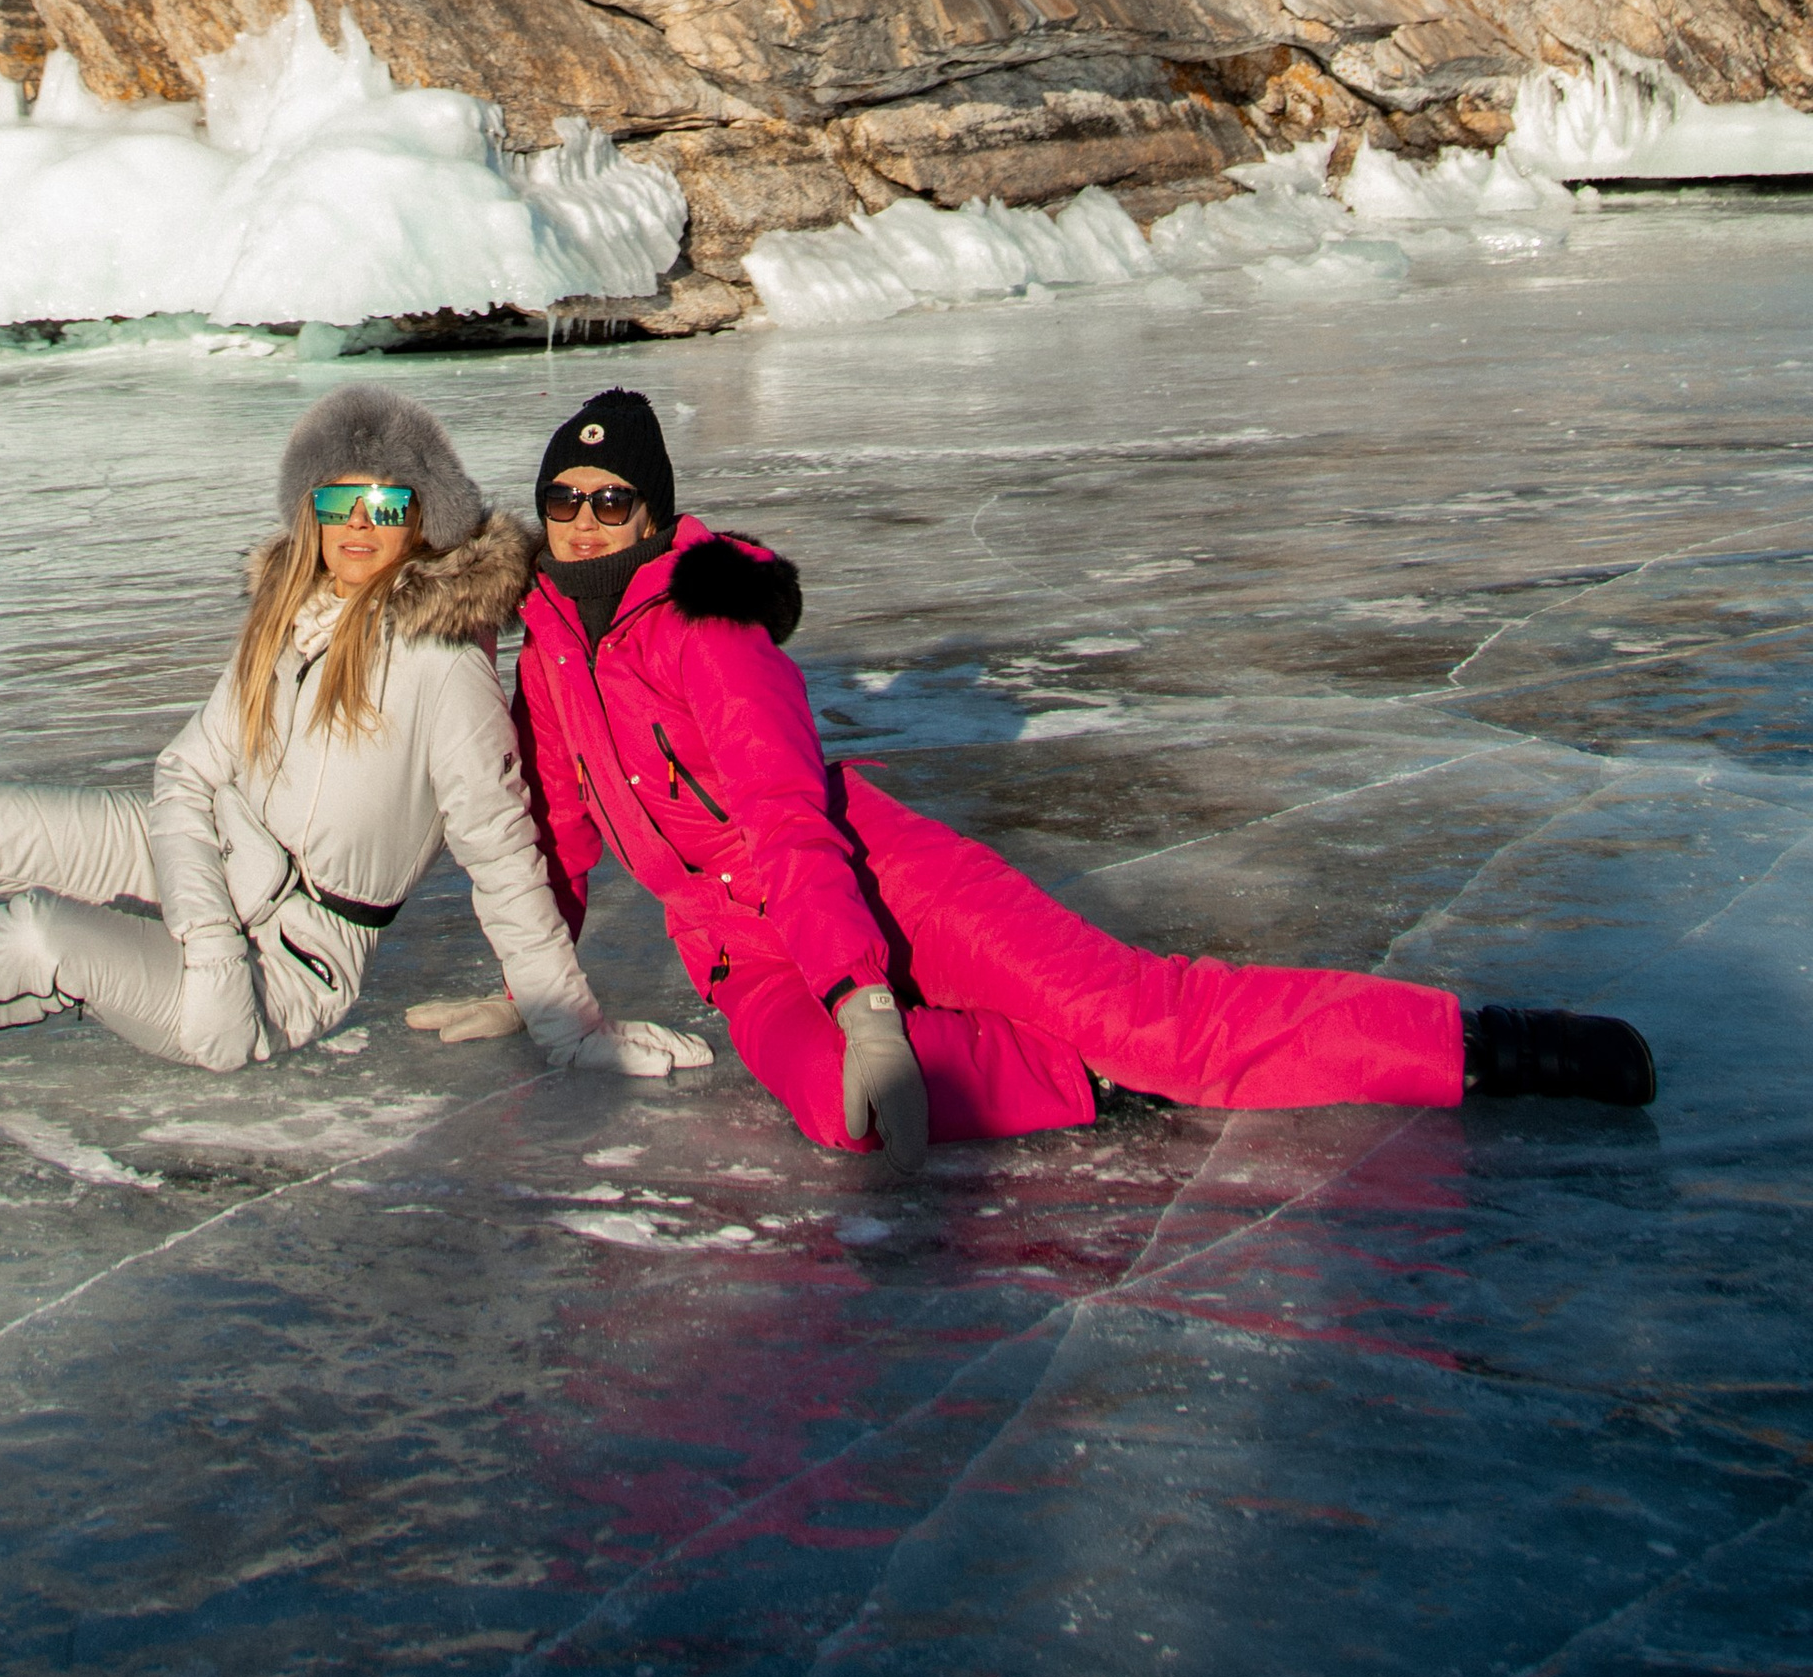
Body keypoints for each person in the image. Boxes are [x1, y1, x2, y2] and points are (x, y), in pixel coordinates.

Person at [420, 387, 1654, 1171]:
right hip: (742, 952)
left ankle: (1481, 1044)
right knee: (842, 1113)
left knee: (1147, 1015)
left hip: (876, 881)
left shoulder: (711, 632)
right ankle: (1090, 1081)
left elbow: (789, 819)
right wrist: (539, 982)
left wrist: (864, 997)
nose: (583, 519)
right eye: (562, 499)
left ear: (653, 513)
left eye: (611, 499)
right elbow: (562, 827)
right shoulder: (551, 650)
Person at [0, 388, 710, 1084]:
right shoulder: (292, 614)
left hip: (284, 956)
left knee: (36, 935)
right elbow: (187, 769)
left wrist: (569, 1027)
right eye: (338, 504)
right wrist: (199, 913)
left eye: (384, 507)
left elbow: (502, 852)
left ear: (423, 519)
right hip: (207, 863)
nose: (359, 530)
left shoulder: (442, 667)